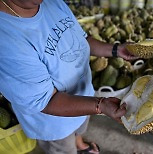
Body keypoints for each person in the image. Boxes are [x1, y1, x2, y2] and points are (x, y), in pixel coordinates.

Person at [0, 0, 138, 154]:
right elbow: (47, 101)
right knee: (64, 148)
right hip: (54, 123)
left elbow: (82, 39)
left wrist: (116, 50)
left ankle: (79, 143)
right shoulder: (6, 40)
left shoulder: (53, 3)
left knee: (79, 128)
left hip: (85, 97)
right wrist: (101, 106)